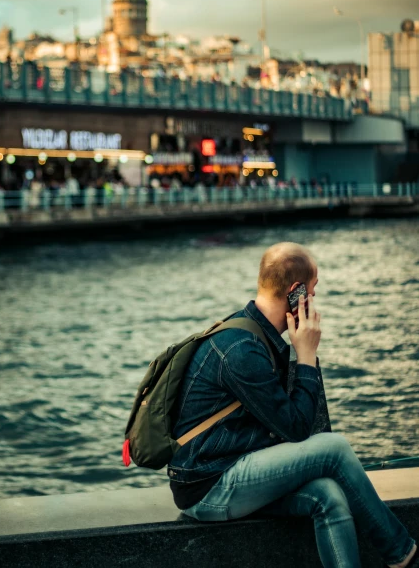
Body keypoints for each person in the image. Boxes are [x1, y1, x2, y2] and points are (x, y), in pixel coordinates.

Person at [169, 242, 416, 568]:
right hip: (210, 486)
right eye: (313, 291)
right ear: (296, 292)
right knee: (335, 449)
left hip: (232, 467)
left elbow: (295, 426)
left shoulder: (256, 334)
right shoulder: (242, 349)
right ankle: (404, 555)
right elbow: (299, 429)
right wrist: (306, 356)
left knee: (328, 495)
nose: (314, 301)